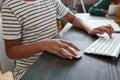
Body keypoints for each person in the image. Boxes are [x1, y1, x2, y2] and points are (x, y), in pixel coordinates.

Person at [1, 0, 114, 80]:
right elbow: (11, 51)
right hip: (30, 68)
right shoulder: (11, 7)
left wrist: (89, 28)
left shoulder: (51, 1)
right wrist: (41, 45)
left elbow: (73, 18)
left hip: (55, 59)